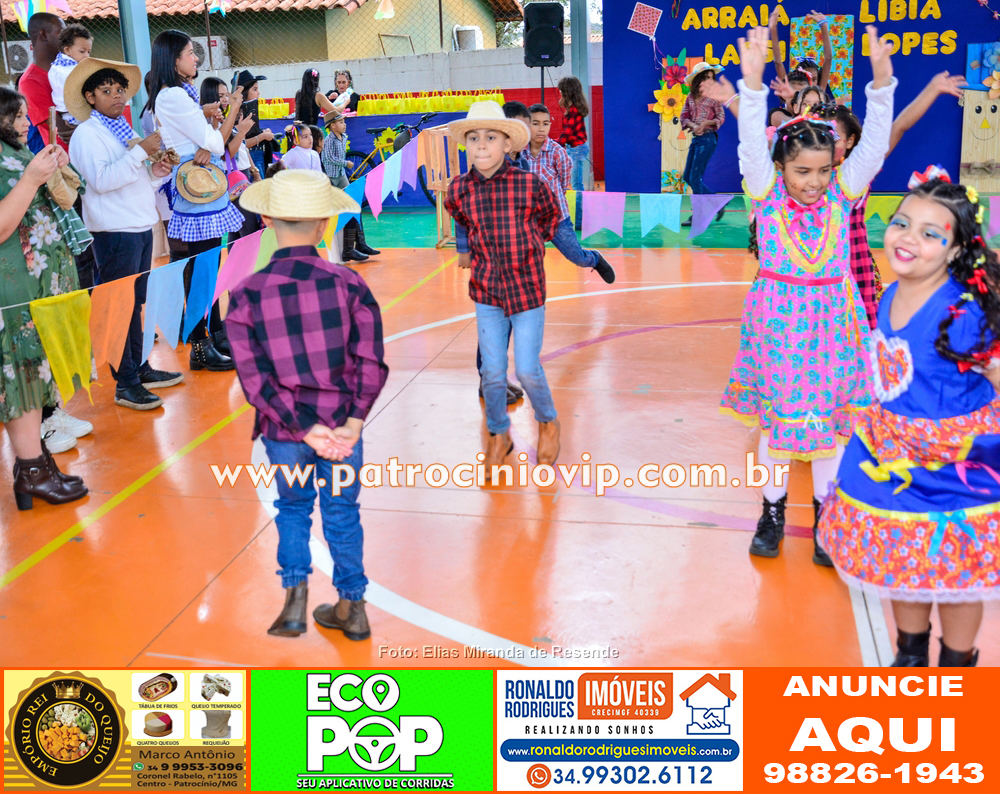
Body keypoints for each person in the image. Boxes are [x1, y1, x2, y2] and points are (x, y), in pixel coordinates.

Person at [719, 25, 896, 564]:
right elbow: (750, 144)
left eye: (822, 170)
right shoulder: (764, 193)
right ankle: (771, 512)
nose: (813, 181)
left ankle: (826, 518)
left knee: (826, 429)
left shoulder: (844, 193)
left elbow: (874, 146)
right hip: (778, 324)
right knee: (778, 427)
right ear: (781, 166)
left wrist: (881, 84)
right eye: (801, 171)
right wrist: (752, 86)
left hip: (833, 325)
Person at [818, 174, 1000, 667]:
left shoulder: (962, 314)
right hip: (892, 454)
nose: (908, 238)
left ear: (956, 249)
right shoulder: (888, 295)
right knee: (904, 562)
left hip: (954, 465)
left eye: (930, 233)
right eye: (902, 223)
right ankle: (911, 655)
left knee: (958, 576)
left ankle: (957, 664)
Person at [226, 169, 388, 641]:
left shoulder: (246, 294)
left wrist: (302, 427)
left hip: (284, 432)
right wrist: (353, 421)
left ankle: (294, 602)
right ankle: (353, 608)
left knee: (293, 508)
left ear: (267, 220)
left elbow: (254, 380)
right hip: (341, 429)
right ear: (324, 224)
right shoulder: (349, 284)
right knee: (342, 513)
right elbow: (371, 361)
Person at [445, 101, 563, 475]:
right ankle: (499, 434)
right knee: (492, 373)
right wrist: (470, 249)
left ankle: (548, 422)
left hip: (526, 290)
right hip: (487, 291)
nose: (481, 145)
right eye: (474, 138)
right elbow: (461, 219)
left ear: (507, 144)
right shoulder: (459, 189)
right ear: (466, 145)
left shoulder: (530, 185)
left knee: (527, 369)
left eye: (491, 137)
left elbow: (551, 218)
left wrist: (530, 245)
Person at [68, 59, 185, 411]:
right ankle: (126, 383)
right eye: (106, 91)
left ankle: (139, 368)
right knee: (120, 307)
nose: (117, 96)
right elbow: (101, 181)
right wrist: (140, 153)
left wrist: (156, 172)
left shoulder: (121, 130)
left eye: (120, 90)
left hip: (138, 226)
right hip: (114, 232)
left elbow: (132, 179)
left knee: (134, 304)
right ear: (90, 97)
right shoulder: (87, 134)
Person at [0, 86, 88, 508]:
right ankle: (31, 470)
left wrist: (54, 170)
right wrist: (33, 178)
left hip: (37, 292)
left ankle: (35, 465)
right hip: (13, 292)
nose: (24, 123)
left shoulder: (14, 151)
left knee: (35, 376)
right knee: (20, 379)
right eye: (15, 116)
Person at [145, 30, 245, 373]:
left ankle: (213, 333)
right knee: (203, 266)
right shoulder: (173, 95)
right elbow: (215, 144)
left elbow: (206, 142)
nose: (196, 58)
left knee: (208, 264)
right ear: (174, 60)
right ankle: (200, 344)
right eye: (190, 53)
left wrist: (206, 136)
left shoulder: (176, 94)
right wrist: (230, 113)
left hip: (200, 186)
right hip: (196, 190)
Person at [521, 103, 615, 283]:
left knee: (577, 257)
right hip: (530, 219)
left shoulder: (557, 152)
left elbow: (564, 182)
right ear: (526, 125)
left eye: (545, 123)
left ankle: (594, 259)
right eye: (535, 123)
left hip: (557, 218)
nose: (541, 128)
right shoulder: (519, 152)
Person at [320, 109, 379, 262]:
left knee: (354, 205)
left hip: (341, 175)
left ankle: (360, 243)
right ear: (333, 126)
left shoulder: (343, 137)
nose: (344, 124)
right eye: (341, 122)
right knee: (347, 207)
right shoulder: (329, 140)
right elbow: (328, 158)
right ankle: (348, 249)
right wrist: (345, 163)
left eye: (343, 121)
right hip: (333, 178)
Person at [679, 62, 726, 227]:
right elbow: (684, 116)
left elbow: (720, 117)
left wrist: (706, 123)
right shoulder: (690, 97)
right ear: (698, 80)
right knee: (688, 177)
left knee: (695, 178)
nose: (710, 81)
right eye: (706, 77)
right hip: (696, 139)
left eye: (712, 78)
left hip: (708, 139)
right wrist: (693, 126)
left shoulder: (714, 98)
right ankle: (717, 202)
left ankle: (698, 215)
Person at [19, 12, 65, 151]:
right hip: (66, 157)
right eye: (61, 32)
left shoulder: (67, 70)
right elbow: (62, 129)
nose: (68, 38)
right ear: (44, 35)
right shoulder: (30, 82)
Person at [770, 8, 834, 100]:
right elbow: (778, 63)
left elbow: (828, 59)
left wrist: (823, 26)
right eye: (807, 79)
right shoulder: (790, 94)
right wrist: (773, 29)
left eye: (814, 79)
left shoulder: (819, 94)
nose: (811, 83)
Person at [48, 24, 92, 141]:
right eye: (82, 51)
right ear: (67, 50)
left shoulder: (57, 66)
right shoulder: (68, 71)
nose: (86, 56)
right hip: (77, 114)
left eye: (89, 52)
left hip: (69, 114)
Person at [556, 76, 589, 228]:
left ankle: (580, 221)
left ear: (567, 92)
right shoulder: (572, 109)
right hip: (573, 148)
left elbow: (567, 132)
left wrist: (555, 144)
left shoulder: (574, 110)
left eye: (561, 90)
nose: (560, 93)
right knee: (573, 185)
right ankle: (576, 217)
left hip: (576, 150)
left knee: (577, 186)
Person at [232, 70, 275, 179]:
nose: (258, 93)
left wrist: (262, 132)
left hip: (257, 154)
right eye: (255, 89)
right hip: (250, 158)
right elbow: (241, 143)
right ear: (244, 92)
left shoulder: (250, 109)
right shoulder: (238, 114)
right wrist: (262, 136)